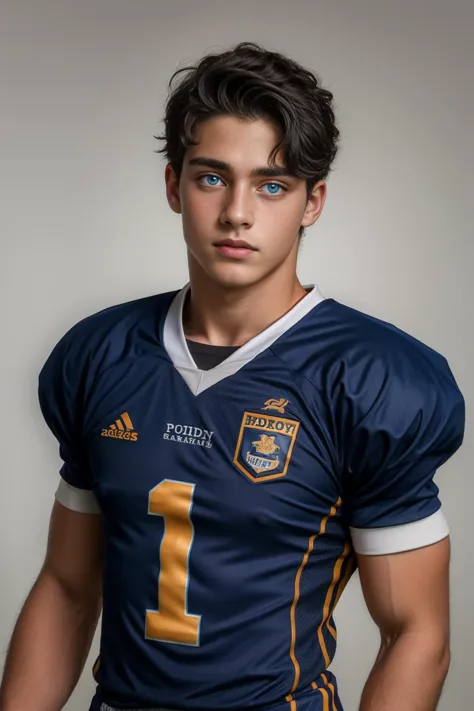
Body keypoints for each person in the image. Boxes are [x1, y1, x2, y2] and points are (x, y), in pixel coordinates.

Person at [0, 41, 465, 711]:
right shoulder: (100, 355)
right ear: (173, 185)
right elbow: (69, 587)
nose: (237, 212)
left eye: (271, 184)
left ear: (313, 201)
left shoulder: (372, 380)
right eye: (212, 176)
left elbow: (417, 633)